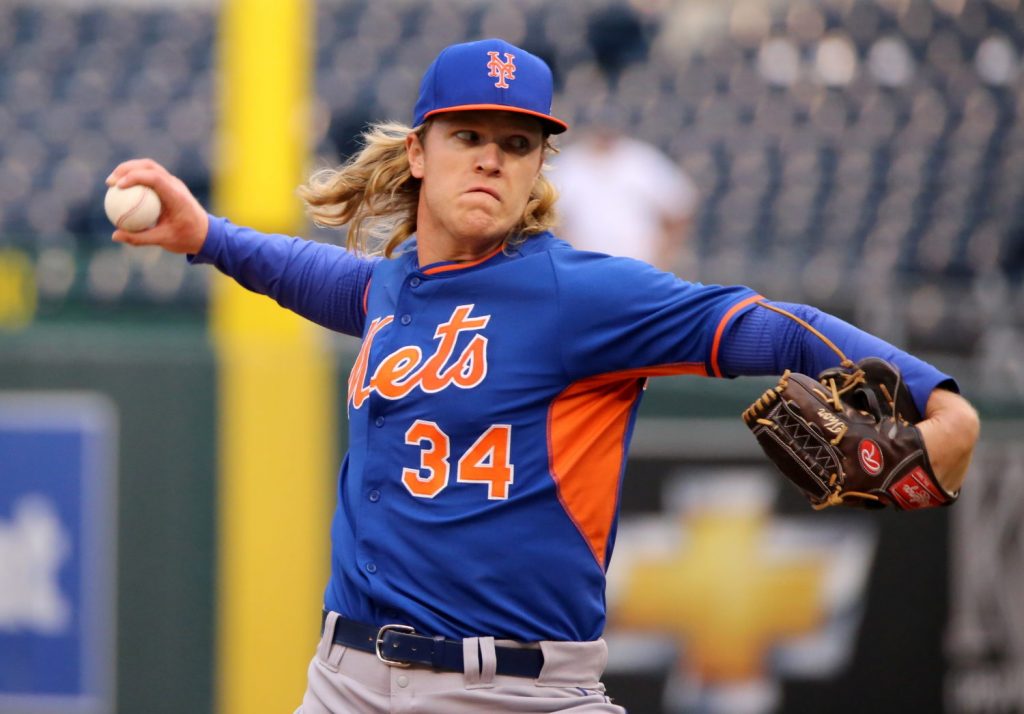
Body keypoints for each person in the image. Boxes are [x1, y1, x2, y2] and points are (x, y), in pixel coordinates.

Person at [106, 38, 979, 714]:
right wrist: (206, 237)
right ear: (420, 152)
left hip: (523, 690)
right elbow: (319, 276)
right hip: (351, 684)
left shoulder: (580, 296)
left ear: (535, 173)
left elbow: (764, 325)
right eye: (469, 135)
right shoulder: (395, 288)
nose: (491, 157)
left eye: (517, 143)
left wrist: (937, 400)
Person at [552, 104, 699, 272]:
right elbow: (550, 218)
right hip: (586, 270)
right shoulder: (569, 163)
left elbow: (679, 208)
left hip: (641, 268)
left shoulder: (641, 158)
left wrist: (665, 257)